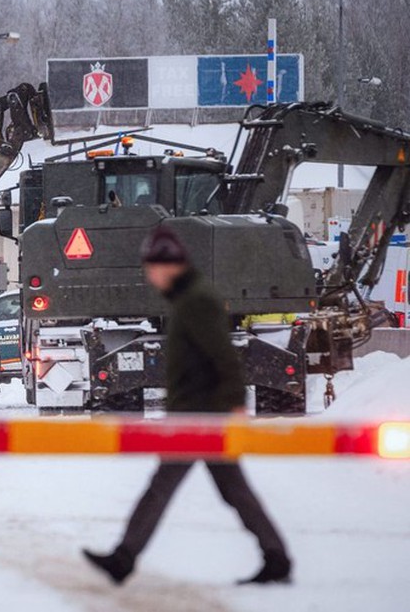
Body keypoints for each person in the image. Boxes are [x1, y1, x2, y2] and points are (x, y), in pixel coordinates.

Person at [82, 226, 291, 586]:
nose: (150, 276)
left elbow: (223, 356)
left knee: (161, 487)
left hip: (201, 415)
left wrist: (235, 406)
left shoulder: (196, 300)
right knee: (232, 490)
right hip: (198, 412)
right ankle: (277, 557)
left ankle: (123, 558)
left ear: (169, 265)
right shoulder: (187, 298)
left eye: (152, 268)